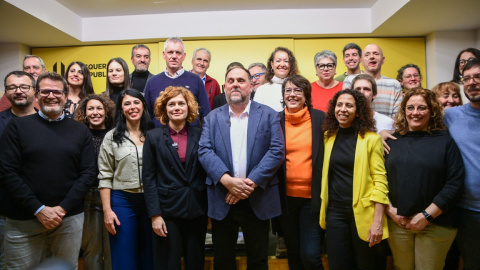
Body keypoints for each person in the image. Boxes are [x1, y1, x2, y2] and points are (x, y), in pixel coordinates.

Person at [0, 72, 96, 269]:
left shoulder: (80, 130)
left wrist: (62, 209)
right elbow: (8, 172)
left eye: (57, 91)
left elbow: (88, 173)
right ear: (36, 94)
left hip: (68, 218)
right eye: (45, 91)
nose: (51, 96)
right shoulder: (17, 127)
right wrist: (38, 209)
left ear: (66, 95)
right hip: (23, 219)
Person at [198, 66, 285, 269]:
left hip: (258, 197)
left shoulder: (269, 115)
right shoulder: (212, 118)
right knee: (223, 261)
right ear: (225, 87)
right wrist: (228, 181)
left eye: (241, 80)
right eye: (230, 81)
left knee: (258, 260)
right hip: (223, 197)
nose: (235, 84)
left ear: (251, 86)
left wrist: (248, 184)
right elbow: (204, 151)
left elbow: (276, 151)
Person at [385, 88, 464, 270]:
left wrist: (427, 215)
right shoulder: (392, 140)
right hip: (399, 222)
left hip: (436, 224)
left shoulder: (445, 141)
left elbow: (455, 182)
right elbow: (378, 179)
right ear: (403, 110)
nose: (415, 113)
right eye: (410, 107)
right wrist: (390, 211)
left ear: (432, 110)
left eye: (422, 108)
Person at [319, 89, 389, 269]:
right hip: (335, 213)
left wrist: (378, 221)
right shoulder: (328, 137)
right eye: (339, 105)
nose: (343, 109)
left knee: (365, 265)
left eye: (349, 105)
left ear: (358, 111)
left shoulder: (372, 139)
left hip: (365, 213)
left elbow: (380, 181)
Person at [143, 86, 208, 269]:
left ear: (189, 108)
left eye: (181, 103)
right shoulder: (153, 137)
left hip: (196, 208)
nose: (176, 107)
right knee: (168, 263)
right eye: (171, 104)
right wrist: (155, 215)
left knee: (195, 261)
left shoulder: (201, 135)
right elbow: (148, 178)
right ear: (164, 109)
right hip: (167, 212)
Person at [98, 89, 154, 270]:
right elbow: (105, 175)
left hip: (151, 202)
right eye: (127, 104)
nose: (132, 107)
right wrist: (107, 211)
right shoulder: (111, 137)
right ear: (121, 109)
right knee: (124, 257)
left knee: (150, 255)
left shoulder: (155, 134)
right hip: (123, 201)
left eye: (136, 102)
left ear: (143, 106)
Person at [277, 75, 325, 269]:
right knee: (294, 254)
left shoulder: (320, 118)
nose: (292, 95)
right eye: (288, 90)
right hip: (285, 200)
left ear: (306, 95)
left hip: (311, 199)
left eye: (298, 90)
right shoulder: (275, 120)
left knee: (310, 255)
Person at [444, 59, 480, 270]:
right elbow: (414, 124)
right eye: (466, 78)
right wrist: (384, 132)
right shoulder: (451, 116)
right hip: (468, 212)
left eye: (477, 77)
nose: (472, 83)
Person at [0, 71, 37, 270]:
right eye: (12, 87)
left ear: (34, 91)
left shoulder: (48, 123)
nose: (19, 91)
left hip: (43, 208)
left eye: (24, 87)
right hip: (6, 209)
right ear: (6, 92)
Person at [74, 94, 115, 270]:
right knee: (92, 249)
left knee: (113, 247)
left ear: (106, 112)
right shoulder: (78, 135)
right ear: (84, 113)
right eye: (90, 109)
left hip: (114, 196)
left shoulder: (116, 134)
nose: (95, 112)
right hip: (87, 197)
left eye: (99, 108)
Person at [144, 37, 211, 127]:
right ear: (164, 55)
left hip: (190, 138)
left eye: (178, 53)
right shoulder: (152, 83)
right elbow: (146, 116)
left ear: (184, 56)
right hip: (159, 139)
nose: (174, 56)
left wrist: (204, 139)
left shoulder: (196, 80)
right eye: (170, 52)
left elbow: (206, 115)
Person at [343, 44, 403, 119]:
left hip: (387, 129)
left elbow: (397, 117)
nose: (372, 57)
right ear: (361, 61)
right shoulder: (350, 80)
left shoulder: (394, 84)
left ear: (383, 60)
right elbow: (346, 109)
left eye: (376, 54)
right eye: (367, 55)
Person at [254, 47, 299, 112]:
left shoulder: (299, 88)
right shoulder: (261, 90)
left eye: (286, 61)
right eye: (278, 61)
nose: (282, 64)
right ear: (272, 64)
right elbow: (257, 115)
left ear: (291, 65)